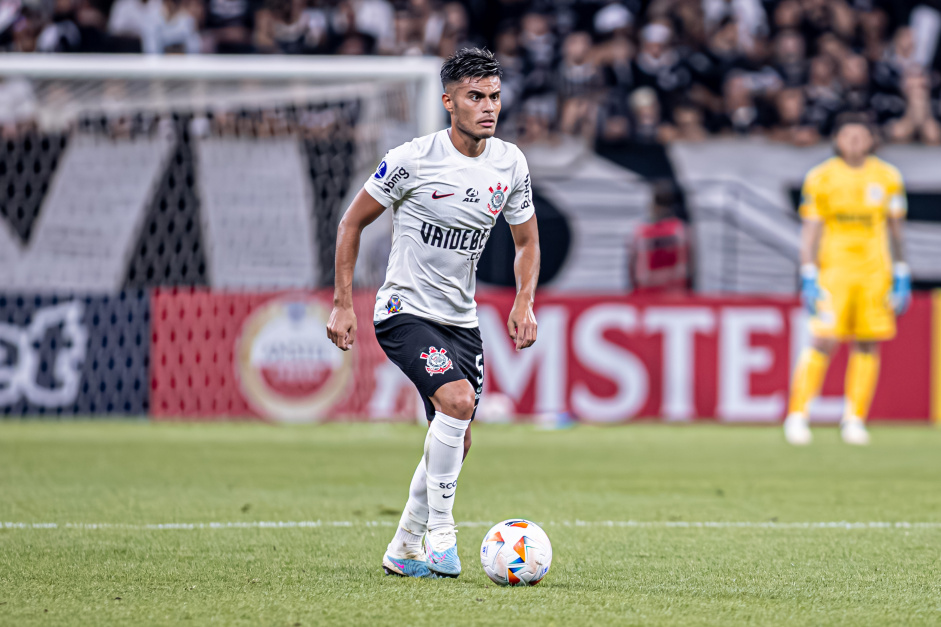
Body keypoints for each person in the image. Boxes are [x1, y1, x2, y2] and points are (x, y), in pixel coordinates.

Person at [326, 48, 540, 578]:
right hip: (404, 311)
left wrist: (524, 300)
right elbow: (351, 224)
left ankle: (402, 547)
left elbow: (528, 241)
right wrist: (341, 304)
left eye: (493, 96)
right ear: (449, 102)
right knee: (459, 400)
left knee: (458, 434)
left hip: (460, 319)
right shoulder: (411, 159)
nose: (488, 107)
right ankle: (442, 532)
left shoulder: (510, 163)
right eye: (475, 97)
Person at [784, 114, 910, 446]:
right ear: (837, 139)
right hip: (835, 269)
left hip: (874, 269)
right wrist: (808, 273)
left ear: (871, 140)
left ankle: (854, 419)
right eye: (847, 135)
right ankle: (797, 415)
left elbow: (896, 230)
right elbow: (810, 231)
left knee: (868, 341)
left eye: (860, 135)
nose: (853, 141)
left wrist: (902, 272)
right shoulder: (821, 177)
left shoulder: (887, 177)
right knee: (823, 339)